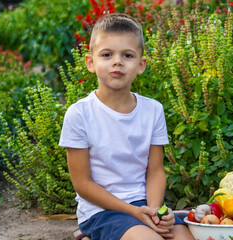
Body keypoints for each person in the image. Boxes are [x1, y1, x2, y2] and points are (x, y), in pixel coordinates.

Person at [59, 13, 195, 240]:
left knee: (184, 238)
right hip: (102, 211)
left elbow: (155, 171)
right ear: (90, 62)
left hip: (144, 204)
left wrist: (155, 212)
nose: (117, 61)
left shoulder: (152, 110)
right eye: (107, 54)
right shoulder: (80, 114)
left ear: (141, 64)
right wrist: (134, 212)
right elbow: (83, 184)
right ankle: (87, 235)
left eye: (128, 55)